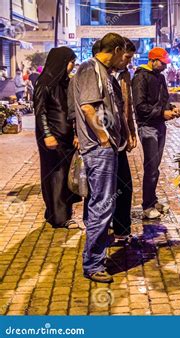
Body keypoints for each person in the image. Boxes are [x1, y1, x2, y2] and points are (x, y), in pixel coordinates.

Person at [74, 32, 126, 283]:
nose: (124, 60)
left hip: (105, 147)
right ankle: (93, 263)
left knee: (102, 204)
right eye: (123, 54)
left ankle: (96, 253)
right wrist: (103, 137)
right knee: (102, 205)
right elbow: (87, 107)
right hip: (98, 148)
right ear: (115, 49)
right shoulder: (89, 68)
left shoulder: (105, 72)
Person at [132, 47, 180, 219]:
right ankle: (147, 206)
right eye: (162, 63)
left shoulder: (160, 77)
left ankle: (152, 200)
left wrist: (172, 109)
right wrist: (161, 113)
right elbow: (140, 107)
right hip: (147, 127)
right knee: (151, 167)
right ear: (152, 60)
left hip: (160, 125)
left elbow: (164, 100)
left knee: (155, 167)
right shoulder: (140, 77)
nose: (165, 67)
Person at [33, 46, 80, 229]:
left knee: (66, 175)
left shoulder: (65, 82)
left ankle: (57, 212)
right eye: (70, 62)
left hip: (66, 137)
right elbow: (40, 111)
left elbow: (71, 111)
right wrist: (47, 134)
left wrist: (76, 133)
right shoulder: (45, 82)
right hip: (52, 137)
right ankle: (60, 217)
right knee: (56, 175)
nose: (72, 66)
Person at [110, 37, 138, 243]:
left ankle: (121, 229)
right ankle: (104, 231)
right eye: (127, 57)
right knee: (104, 189)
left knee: (124, 186)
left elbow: (127, 108)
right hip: (104, 141)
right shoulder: (98, 74)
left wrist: (131, 132)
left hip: (119, 137)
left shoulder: (125, 75)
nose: (128, 62)